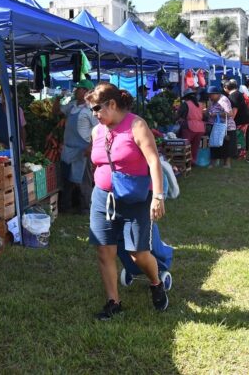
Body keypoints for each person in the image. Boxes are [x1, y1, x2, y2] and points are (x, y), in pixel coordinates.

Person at [86, 83, 167, 320]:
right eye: (92, 110)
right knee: (104, 250)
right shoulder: (97, 131)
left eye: (97, 109)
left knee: (137, 253)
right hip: (103, 197)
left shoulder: (136, 125)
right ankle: (114, 301)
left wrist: (158, 196)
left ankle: (155, 282)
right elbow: (98, 162)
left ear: (112, 104)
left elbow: (153, 161)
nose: (95, 114)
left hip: (135, 197)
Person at [53, 79, 97, 212]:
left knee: (84, 180)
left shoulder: (91, 109)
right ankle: (65, 206)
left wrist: (91, 147)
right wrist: (57, 100)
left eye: (79, 88)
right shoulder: (71, 105)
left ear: (86, 92)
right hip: (68, 149)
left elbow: (98, 130)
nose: (76, 90)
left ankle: (85, 207)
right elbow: (55, 112)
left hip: (83, 150)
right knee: (66, 179)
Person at [205, 86, 237, 168]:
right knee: (214, 144)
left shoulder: (223, 100)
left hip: (226, 127)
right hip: (216, 126)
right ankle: (214, 162)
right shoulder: (213, 100)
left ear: (216, 94)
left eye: (211, 95)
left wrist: (216, 114)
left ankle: (227, 164)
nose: (209, 97)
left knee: (226, 146)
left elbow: (230, 113)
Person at [225, 80, 249, 158]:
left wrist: (230, 120)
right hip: (244, 119)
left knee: (239, 137)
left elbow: (234, 109)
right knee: (241, 136)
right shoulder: (239, 93)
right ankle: (239, 153)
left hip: (240, 120)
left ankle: (241, 154)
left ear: (226, 87)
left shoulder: (233, 95)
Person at [176, 91, 205, 164]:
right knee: (195, 147)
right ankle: (193, 161)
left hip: (189, 126)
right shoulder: (200, 104)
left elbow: (179, 115)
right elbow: (204, 116)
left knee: (186, 146)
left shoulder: (186, 104)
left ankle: (187, 162)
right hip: (200, 128)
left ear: (186, 98)